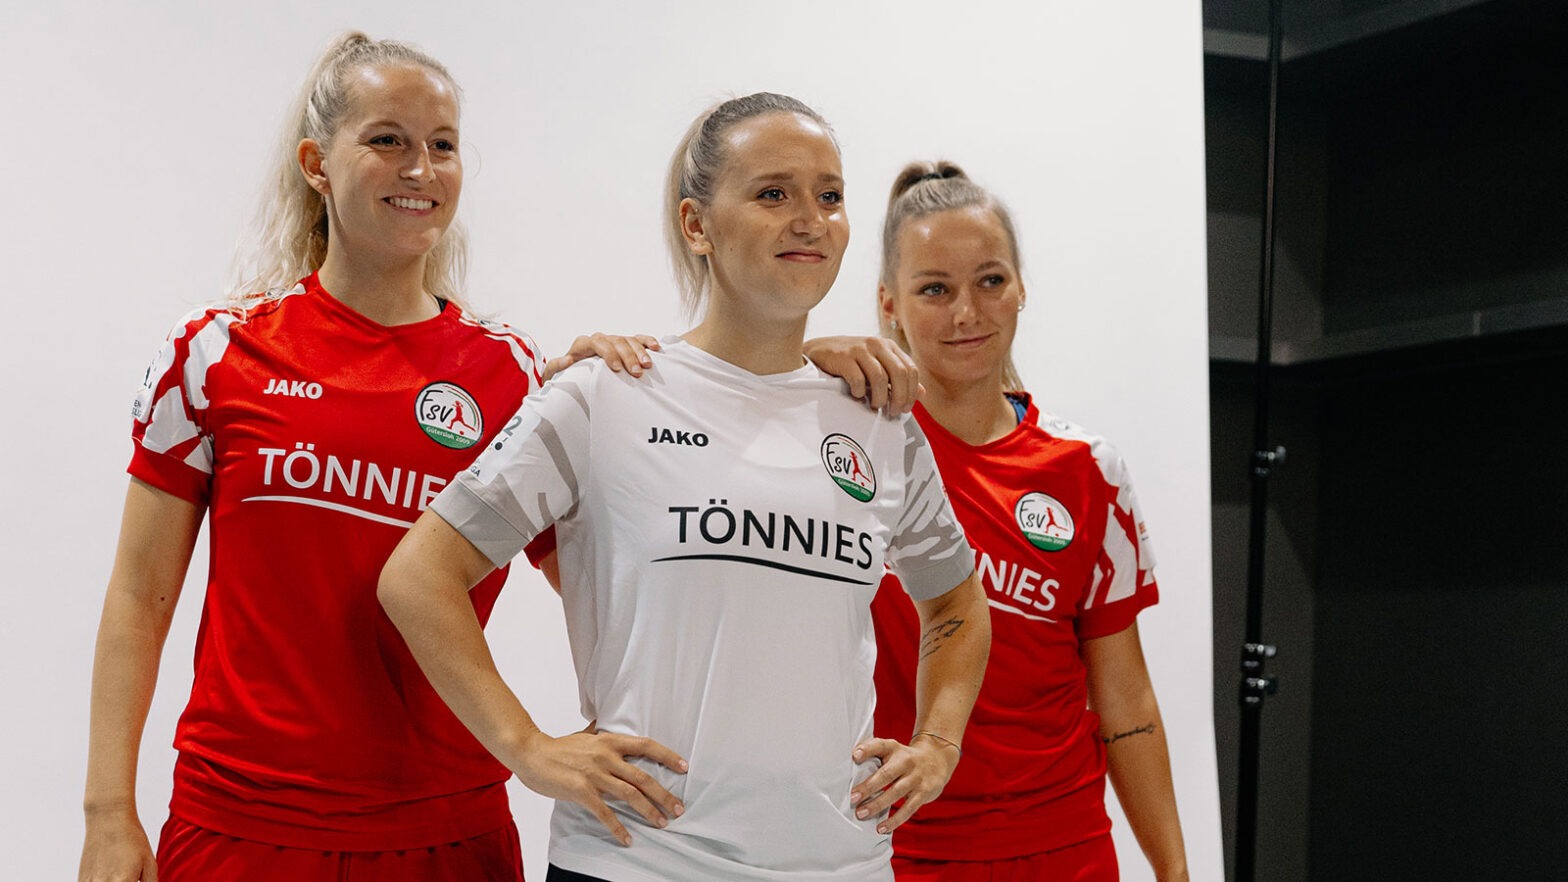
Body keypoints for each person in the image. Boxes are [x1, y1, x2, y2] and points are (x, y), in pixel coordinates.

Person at [76, 32, 670, 882]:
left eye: (443, 145)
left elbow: (612, 583)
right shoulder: (213, 353)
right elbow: (140, 596)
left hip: (447, 834)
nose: (420, 167)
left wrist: (750, 380)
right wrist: (108, 814)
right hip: (242, 825)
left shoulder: (511, 375)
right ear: (318, 163)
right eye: (388, 139)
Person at [377, 93, 992, 882]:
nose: (809, 218)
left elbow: (956, 606)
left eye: (829, 196)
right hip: (638, 862)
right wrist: (527, 748)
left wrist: (938, 745)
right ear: (697, 225)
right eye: (773, 193)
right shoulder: (606, 393)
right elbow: (419, 576)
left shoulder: (878, 419)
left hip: (844, 865)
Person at [859, 161, 1189, 881]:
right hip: (898, 850)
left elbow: (1125, 700)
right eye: (934, 290)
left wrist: (1174, 872)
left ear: (1021, 288)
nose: (967, 313)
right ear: (889, 304)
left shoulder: (1087, 468)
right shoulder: (852, 457)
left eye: (990, 280)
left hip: (1066, 851)